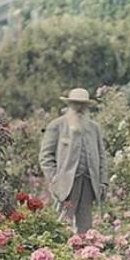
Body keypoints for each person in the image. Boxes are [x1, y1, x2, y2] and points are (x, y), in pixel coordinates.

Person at [39, 88, 108, 233]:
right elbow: (45, 156)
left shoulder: (94, 128)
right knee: (63, 225)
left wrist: (103, 181)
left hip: (89, 183)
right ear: (69, 105)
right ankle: (61, 254)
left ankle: (84, 254)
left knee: (86, 227)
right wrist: (55, 178)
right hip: (66, 185)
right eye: (76, 104)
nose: (80, 108)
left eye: (83, 104)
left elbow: (102, 157)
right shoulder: (57, 125)